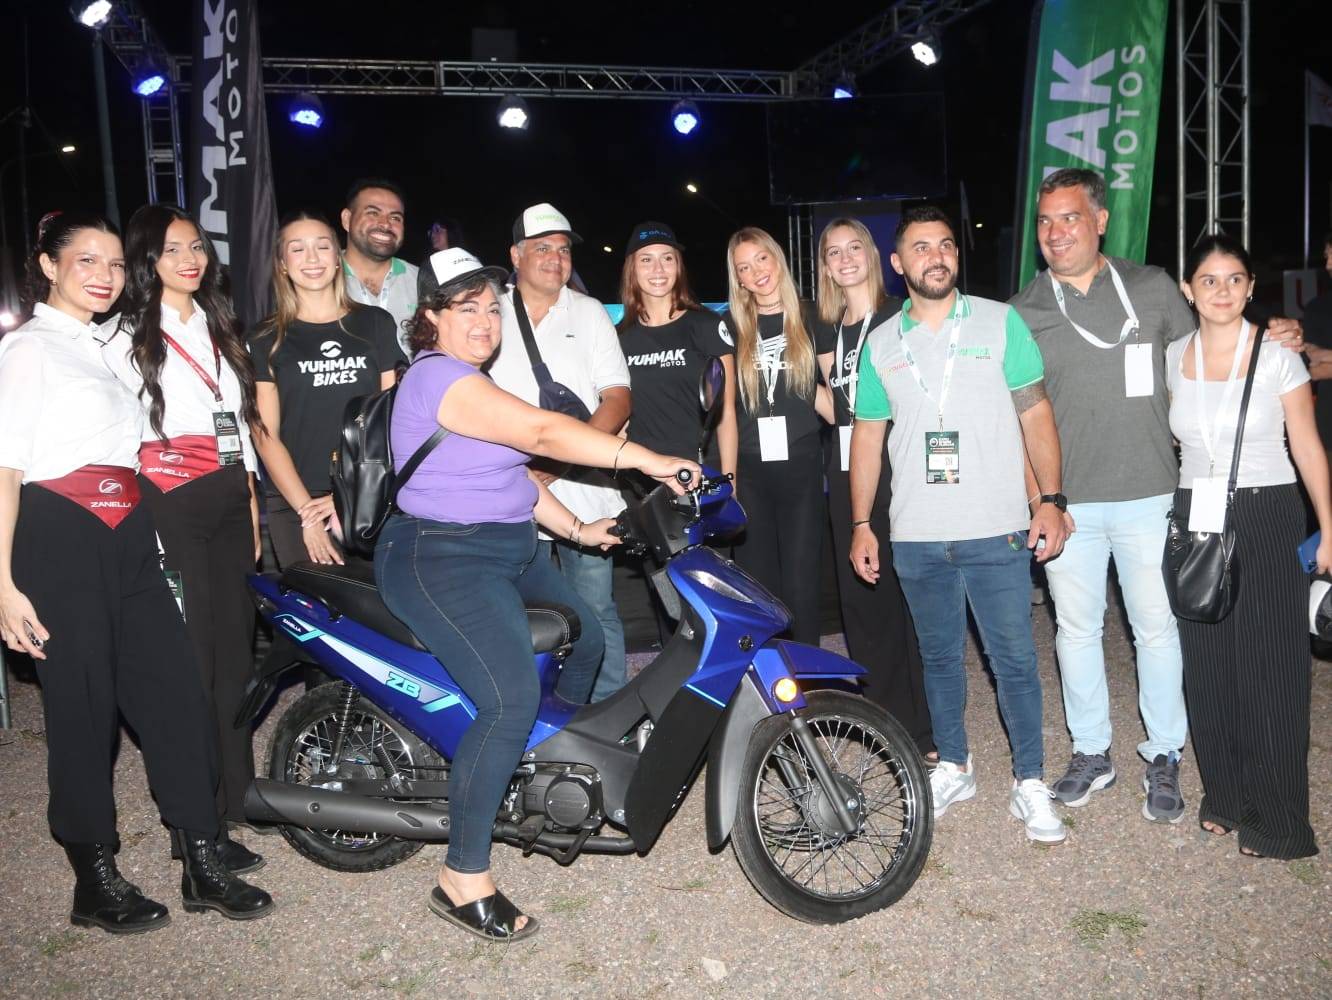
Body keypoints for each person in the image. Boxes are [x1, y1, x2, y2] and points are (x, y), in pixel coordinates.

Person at [375, 248, 697, 940]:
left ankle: (553, 772)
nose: (485, 321)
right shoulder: (436, 377)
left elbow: (516, 478)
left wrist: (579, 529)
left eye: (492, 308)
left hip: (508, 548)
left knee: (588, 633)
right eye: (466, 308)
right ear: (430, 317)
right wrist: (648, 460)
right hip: (441, 556)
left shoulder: (476, 381)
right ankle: (462, 878)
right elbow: (545, 432)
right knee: (509, 698)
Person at [0, 212, 272, 934]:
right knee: (83, 712)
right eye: (87, 260)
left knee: (174, 693)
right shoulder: (27, 349)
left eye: (117, 264)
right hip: (59, 533)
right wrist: (3, 584)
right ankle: (94, 880)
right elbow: (5, 470)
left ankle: (201, 857)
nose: (105, 275)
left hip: (129, 530)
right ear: (48, 265)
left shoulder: (109, 346)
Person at [1009, 168, 1303, 822]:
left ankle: (1164, 752)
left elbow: (1212, 342)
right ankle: (1092, 751)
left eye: (1070, 217)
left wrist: (1273, 333)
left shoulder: (1151, 288)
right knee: (1076, 631)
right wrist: (1040, 502)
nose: (1056, 232)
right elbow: (1021, 416)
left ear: (1100, 221)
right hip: (1069, 504)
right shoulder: (1024, 310)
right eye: (1046, 221)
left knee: (1157, 630)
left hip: (1152, 495)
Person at [849, 205, 1070, 844]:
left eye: (945, 245)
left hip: (996, 525)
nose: (937, 256)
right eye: (921, 247)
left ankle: (1030, 780)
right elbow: (867, 438)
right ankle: (954, 764)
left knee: (1014, 660)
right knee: (939, 658)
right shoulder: (882, 344)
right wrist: (861, 522)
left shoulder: (1001, 322)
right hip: (916, 532)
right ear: (899, 263)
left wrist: (1051, 499)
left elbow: (1035, 414)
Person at [101, 205, 265, 873]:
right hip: (167, 499)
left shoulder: (219, 321)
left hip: (228, 493)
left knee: (235, 653)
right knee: (190, 659)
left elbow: (239, 419)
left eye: (196, 246)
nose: (189, 259)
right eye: (172, 250)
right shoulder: (122, 335)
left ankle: (235, 800)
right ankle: (194, 823)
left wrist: (250, 494)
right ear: (147, 259)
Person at [1167, 234, 1326, 859]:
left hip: (1268, 512)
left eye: (1235, 279)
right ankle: (1226, 797)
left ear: (1251, 287)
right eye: (1209, 280)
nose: (1222, 291)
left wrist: (1330, 526)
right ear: (1189, 290)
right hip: (1195, 515)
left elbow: (1307, 445)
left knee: (1272, 669)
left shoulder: (1279, 355)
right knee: (1208, 665)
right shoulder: (1173, 356)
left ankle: (1280, 821)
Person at [487, 203, 633, 701]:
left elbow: (618, 398)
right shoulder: (488, 311)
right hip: (505, 492)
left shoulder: (589, 312)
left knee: (596, 609)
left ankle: (610, 717)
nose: (556, 258)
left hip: (583, 489)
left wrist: (560, 459)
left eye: (564, 249)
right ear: (515, 255)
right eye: (542, 248)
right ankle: (532, 714)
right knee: (514, 615)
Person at [812, 218, 934, 761]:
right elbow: (837, 410)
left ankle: (926, 727)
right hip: (847, 474)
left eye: (854, 248)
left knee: (906, 598)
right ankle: (886, 717)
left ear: (874, 255)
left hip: (898, 470)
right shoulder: (827, 328)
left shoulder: (900, 315)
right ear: (825, 266)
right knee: (862, 601)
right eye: (833, 252)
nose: (845, 259)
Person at [248, 210, 404, 570]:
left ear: (337, 257)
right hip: (296, 503)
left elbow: (392, 419)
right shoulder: (264, 337)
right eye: (297, 249)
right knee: (313, 607)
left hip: (371, 494)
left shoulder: (375, 323)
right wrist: (308, 514)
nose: (312, 258)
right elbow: (265, 435)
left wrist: (346, 498)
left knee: (380, 606)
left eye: (322, 246)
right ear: (282, 264)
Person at [721, 226, 833, 645]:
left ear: (777, 259)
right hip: (750, 468)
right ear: (738, 279)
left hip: (802, 464)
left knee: (803, 578)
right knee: (757, 580)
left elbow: (835, 406)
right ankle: (766, 670)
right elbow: (722, 410)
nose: (756, 272)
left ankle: (805, 671)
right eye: (744, 268)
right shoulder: (729, 325)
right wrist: (729, 480)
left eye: (761, 259)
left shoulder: (812, 317)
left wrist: (806, 384)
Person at [617, 221, 737, 470]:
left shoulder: (707, 325)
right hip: (643, 475)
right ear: (632, 269)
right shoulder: (618, 337)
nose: (658, 269)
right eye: (646, 260)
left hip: (701, 473)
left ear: (678, 265)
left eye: (667, 258)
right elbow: (620, 414)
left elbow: (726, 414)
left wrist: (730, 480)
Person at [340, 178, 419, 355]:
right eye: (373, 213)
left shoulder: (421, 282)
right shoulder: (320, 279)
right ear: (347, 219)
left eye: (395, 217)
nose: (385, 224)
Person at [1297, 233, 1332, 456]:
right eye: (1327, 256)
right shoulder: (1318, 308)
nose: (1328, 264)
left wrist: (1325, 355)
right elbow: (1313, 368)